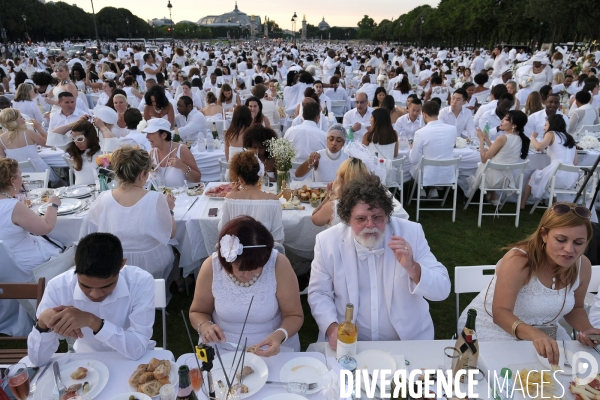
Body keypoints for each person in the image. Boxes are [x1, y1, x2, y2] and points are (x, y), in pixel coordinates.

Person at [308, 176, 450, 346]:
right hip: (349, 341)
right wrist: (332, 328)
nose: (370, 225)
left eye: (377, 217)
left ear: (388, 215)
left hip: (407, 341)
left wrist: (414, 268)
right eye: (361, 219)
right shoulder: (327, 242)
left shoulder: (411, 233)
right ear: (347, 219)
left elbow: (443, 289)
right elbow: (319, 293)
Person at [457, 203, 600, 365]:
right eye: (561, 239)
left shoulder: (583, 266)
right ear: (544, 234)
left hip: (545, 332)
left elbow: (576, 308)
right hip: (493, 329)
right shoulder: (519, 260)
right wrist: (535, 334)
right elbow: (500, 313)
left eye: (579, 242)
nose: (569, 249)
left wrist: (587, 329)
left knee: (574, 374)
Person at [27, 232, 156, 366]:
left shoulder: (141, 283)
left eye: (106, 286)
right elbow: (37, 361)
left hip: (131, 360)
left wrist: (92, 321)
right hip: (85, 361)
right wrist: (42, 325)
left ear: (121, 265)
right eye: (85, 286)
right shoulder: (58, 288)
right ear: (75, 262)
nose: (95, 295)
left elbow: (138, 349)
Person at [189, 215, 303, 355]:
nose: (248, 275)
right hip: (222, 347)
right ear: (227, 260)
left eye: (256, 268)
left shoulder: (279, 265)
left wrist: (279, 335)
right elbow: (197, 312)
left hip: (271, 349)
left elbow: (294, 315)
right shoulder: (211, 267)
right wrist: (205, 326)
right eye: (241, 268)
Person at [81, 147, 176, 281]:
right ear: (142, 174)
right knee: (172, 249)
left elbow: (93, 228)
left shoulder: (103, 197)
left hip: (114, 261)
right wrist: (170, 209)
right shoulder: (156, 198)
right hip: (150, 262)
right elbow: (171, 233)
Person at [219, 151, 284, 245]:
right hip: (264, 254)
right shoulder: (273, 200)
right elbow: (278, 238)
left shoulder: (230, 198)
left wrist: (233, 194)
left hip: (238, 256)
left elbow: (222, 229)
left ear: (240, 179)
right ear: (259, 176)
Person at [466, 110, 531, 203]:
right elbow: (501, 152)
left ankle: (486, 194)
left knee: (476, 166)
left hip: (492, 180)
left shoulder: (503, 138)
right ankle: (493, 196)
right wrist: (487, 140)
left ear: (514, 125)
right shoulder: (521, 138)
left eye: (506, 120)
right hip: (507, 179)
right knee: (488, 165)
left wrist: (481, 140)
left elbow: (484, 159)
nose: (502, 121)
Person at [521, 115, 578, 209]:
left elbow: (539, 147)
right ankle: (558, 207)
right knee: (543, 173)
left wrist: (533, 137)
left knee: (533, 175)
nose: (544, 128)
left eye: (546, 125)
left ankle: (522, 204)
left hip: (557, 174)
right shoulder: (570, 137)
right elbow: (575, 162)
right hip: (571, 177)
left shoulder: (551, 133)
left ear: (552, 125)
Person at [409, 101, 457, 199]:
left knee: (416, 163)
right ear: (438, 113)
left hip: (427, 174)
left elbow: (413, 160)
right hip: (447, 173)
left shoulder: (420, 133)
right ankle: (433, 189)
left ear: (424, 114)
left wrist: (412, 148)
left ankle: (422, 188)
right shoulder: (452, 129)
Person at [0, 108, 57, 180]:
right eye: (20, 117)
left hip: (18, 176)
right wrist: (39, 128)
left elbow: (2, 160)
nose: (24, 118)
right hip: (40, 172)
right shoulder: (28, 132)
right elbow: (50, 144)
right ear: (14, 120)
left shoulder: (1, 139)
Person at [144, 118, 201, 187]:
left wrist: (183, 166)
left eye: (151, 133)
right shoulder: (152, 154)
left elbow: (197, 178)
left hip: (183, 197)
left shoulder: (182, 150)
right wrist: (148, 170)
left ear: (164, 135)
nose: (147, 136)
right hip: (162, 197)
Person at [65, 120, 102, 185]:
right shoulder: (74, 149)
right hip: (79, 192)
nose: (77, 143)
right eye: (73, 139)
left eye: (80, 139)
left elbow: (111, 143)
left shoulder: (101, 150)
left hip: (97, 192)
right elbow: (53, 136)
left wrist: (103, 128)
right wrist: (73, 124)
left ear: (90, 137)